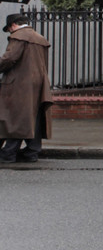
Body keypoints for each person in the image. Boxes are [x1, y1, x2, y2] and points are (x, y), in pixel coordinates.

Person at [0, 13, 53, 163]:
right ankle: (32, 152)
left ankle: (8, 153)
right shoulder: (39, 38)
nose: (10, 32)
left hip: (19, 84)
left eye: (10, 28)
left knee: (14, 118)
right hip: (38, 84)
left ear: (13, 25)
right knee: (33, 117)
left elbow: (9, 59)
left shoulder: (18, 36)